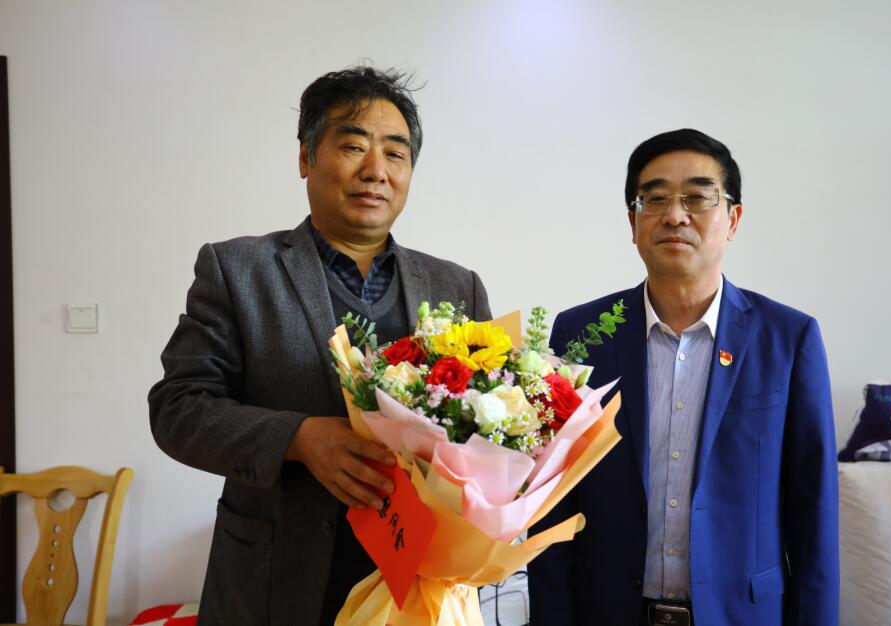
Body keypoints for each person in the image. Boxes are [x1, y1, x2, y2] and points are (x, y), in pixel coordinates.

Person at [148, 67, 491, 626]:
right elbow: (177, 408)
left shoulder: (457, 286)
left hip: (416, 591)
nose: (376, 171)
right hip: (276, 583)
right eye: (353, 146)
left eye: (396, 154)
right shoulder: (238, 270)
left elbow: (486, 434)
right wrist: (297, 438)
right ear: (306, 157)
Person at [528, 129, 838, 626]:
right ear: (633, 223)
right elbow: (554, 502)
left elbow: (814, 511)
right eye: (654, 199)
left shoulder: (789, 338)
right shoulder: (580, 335)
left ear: (732, 219)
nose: (675, 215)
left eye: (697, 197)